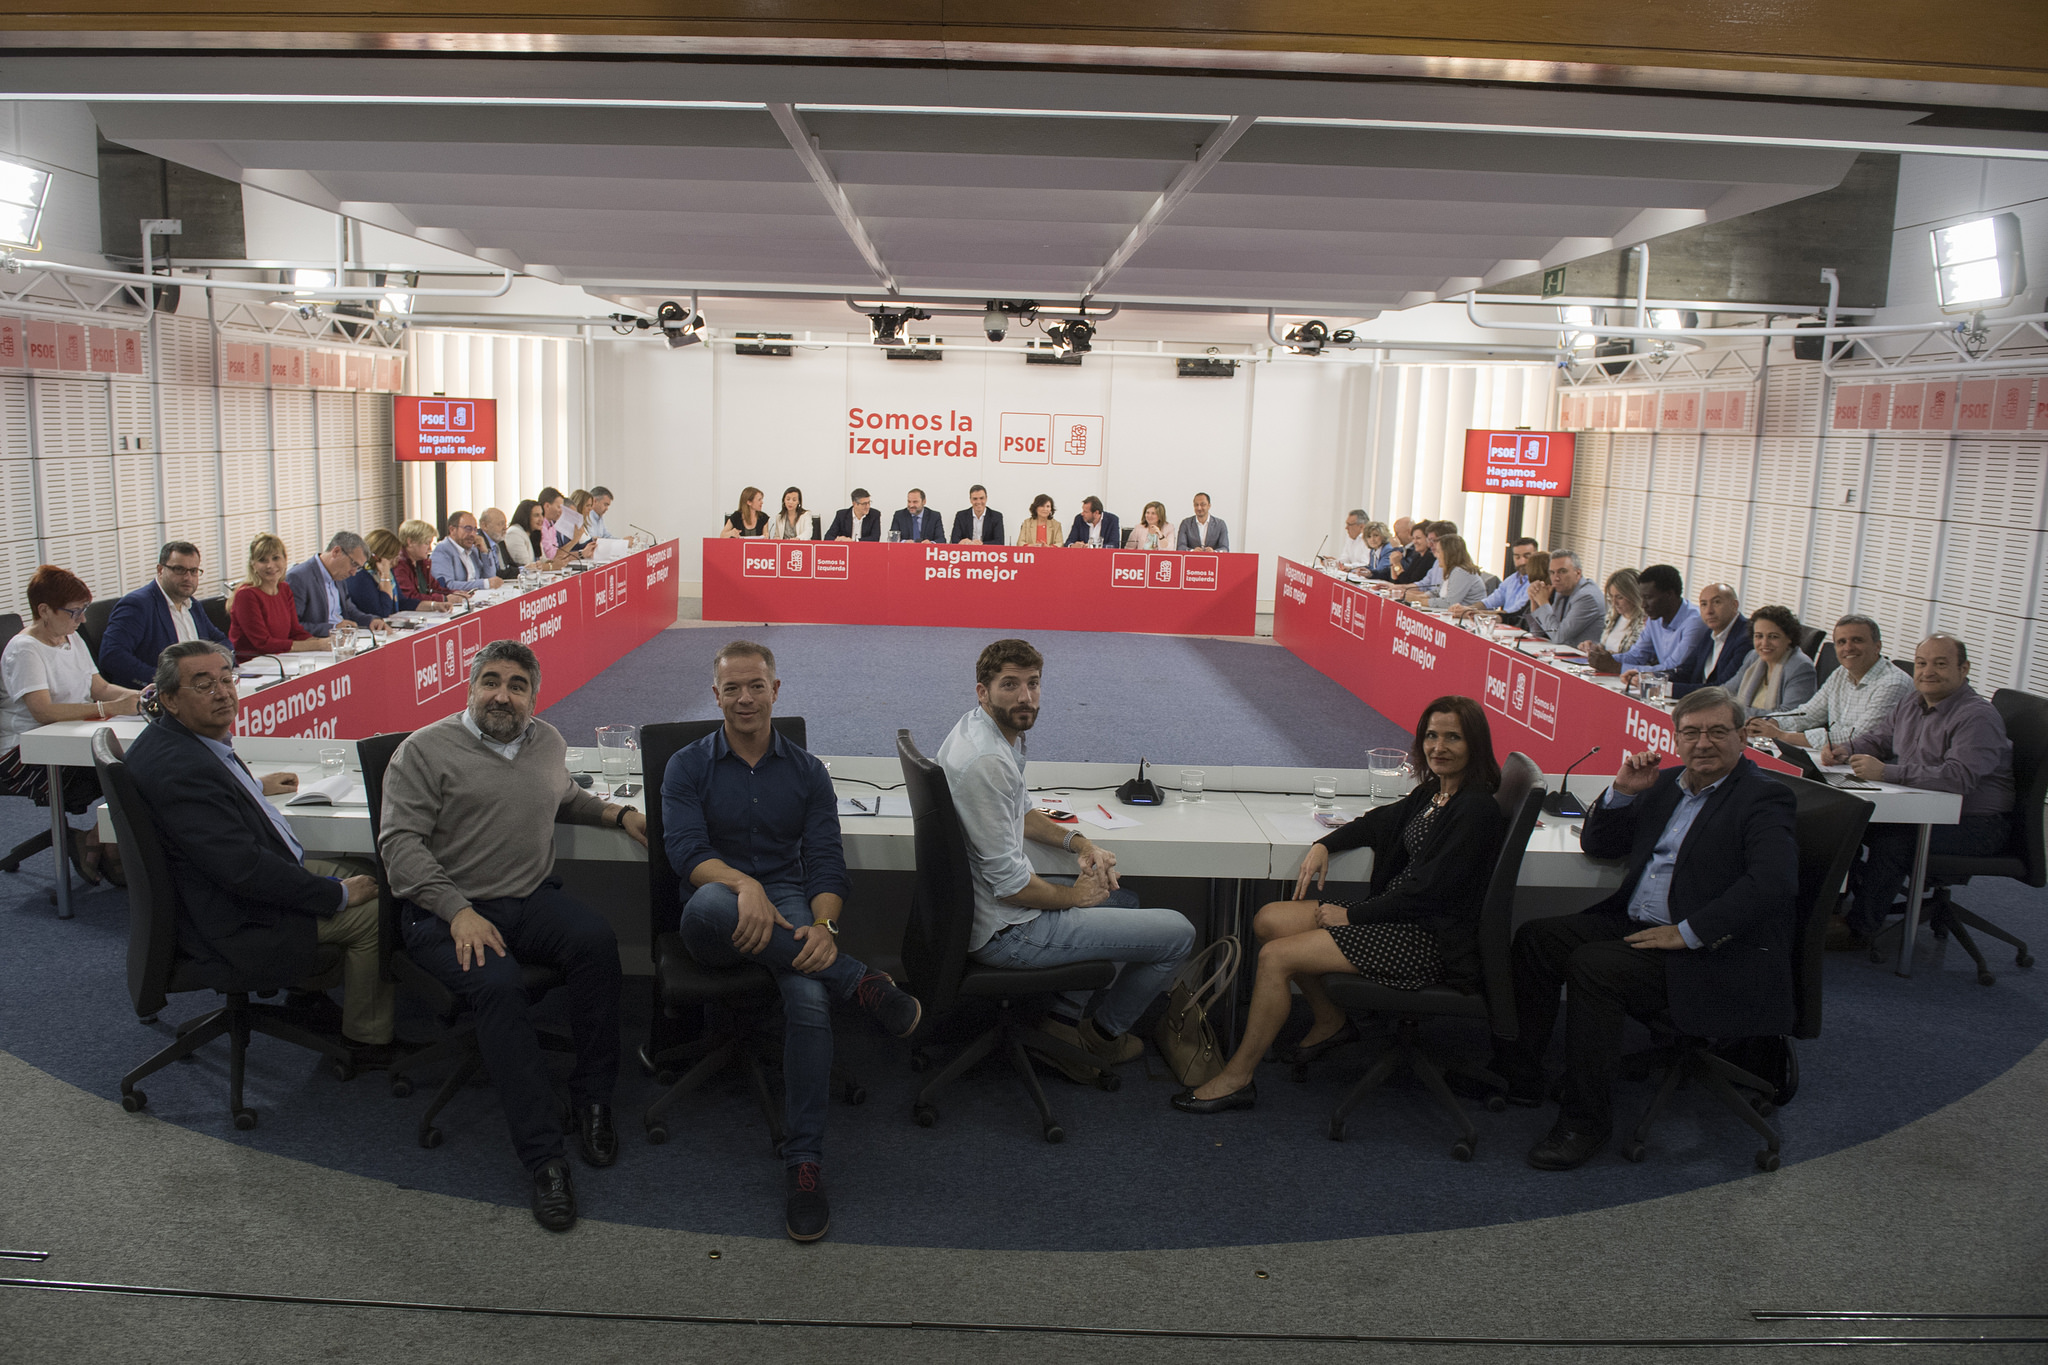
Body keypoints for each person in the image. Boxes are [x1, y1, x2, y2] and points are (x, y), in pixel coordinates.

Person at [378, 639, 647, 1233]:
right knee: (498, 985)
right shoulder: (423, 750)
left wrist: (620, 815)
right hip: (443, 915)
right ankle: (544, 1157)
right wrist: (456, 910)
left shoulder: (546, 740)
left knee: (597, 944)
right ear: (469, 688)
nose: (503, 694)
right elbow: (399, 847)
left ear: (534, 695)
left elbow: (564, 796)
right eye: (491, 681)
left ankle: (593, 1098)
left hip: (526, 903)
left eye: (517, 684)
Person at [663, 641, 924, 1243]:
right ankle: (860, 982)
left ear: (776, 691)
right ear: (717, 695)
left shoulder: (807, 771)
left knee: (807, 998)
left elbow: (827, 864)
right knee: (708, 904)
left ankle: (804, 1163)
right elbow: (685, 854)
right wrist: (742, 883)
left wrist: (825, 929)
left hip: (788, 899)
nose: (745, 698)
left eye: (756, 685)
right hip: (711, 904)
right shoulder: (687, 765)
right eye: (733, 688)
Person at [1497, 686, 1799, 1170]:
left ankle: (1585, 1121)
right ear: (1675, 739)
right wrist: (1620, 794)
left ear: (1742, 737)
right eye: (1692, 733)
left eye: (1717, 732)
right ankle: (1522, 1074)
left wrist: (1690, 931)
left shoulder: (1763, 798)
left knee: (1596, 967)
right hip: (1638, 925)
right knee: (1538, 939)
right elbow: (1599, 845)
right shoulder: (1666, 786)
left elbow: (1774, 882)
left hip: (1710, 953)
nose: (1703, 743)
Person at [1173, 696, 1508, 1113]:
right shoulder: (1435, 793)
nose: (1438, 747)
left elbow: (1428, 893)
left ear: (1475, 743)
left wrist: (1352, 917)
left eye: (1452, 738)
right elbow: (1380, 821)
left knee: (1277, 957)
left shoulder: (1475, 809)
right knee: (1269, 920)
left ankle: (1238, 1077)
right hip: (1397, 917)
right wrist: (1324, 844)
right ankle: (1331, 1020)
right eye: (1431, 736)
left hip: (1427, 941)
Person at [123, 640, 396, 1065]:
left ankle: (308, 990)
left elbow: (215, 826)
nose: (222, 692)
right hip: (237, 917)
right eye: (203, 684)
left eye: (226, 679)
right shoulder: (184, 772)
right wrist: (336, 895)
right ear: (171, 700)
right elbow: (245, 870)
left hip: (217, 891)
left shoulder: (175, 743)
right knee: (377, 910)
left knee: (369, 869)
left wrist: (252, 787)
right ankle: (366, 1041)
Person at [937, 638, 1195, 1080]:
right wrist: (1076, 896)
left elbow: (1019, 813)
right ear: (983, 692)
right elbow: (1013, 888)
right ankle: (1103, 1037)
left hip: (986, 913)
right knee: (1178, 934)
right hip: (1007, 933)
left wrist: (1081, 844)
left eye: (1033, 684)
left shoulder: (984, 732)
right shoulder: (987, 761)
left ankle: (1057, 1027)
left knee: (1124, 901)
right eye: (1010, 685)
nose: (1025, 697)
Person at [1827, 635, 2015, 949]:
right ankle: (1831, 910)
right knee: (1848, 824)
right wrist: (1845, 750)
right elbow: (1879, 739)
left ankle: (1858, 930)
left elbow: (1959, 778)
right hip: (1924, 808)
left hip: (1977, 824)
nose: (1928, 671)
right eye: (1922, 663)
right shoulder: (1911, 703)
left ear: (1963, 668)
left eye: (1940, 664)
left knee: (1894, 842)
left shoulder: (1976, 716)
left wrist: (1886, 772)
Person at [0, 565, 141, 883]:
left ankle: (97, 840)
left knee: (141, 763)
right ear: (45, 611)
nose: (83, 619)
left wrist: (140, 696)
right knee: (132, 769)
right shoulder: (25, 650)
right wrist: (109, 709)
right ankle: (99, 841)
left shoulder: (70, 637)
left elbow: (100, 688)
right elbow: (43, 712)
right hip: (29, 754)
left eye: (84, 610)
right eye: (75, 612)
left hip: (72, 738)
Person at [1744, 614, 1912, 754]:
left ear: (1877, 646)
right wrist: (1771, 722)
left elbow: (1859, 738)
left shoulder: (1892, 683)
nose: (1848, 648)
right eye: (1841, 642)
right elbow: (1808, 713)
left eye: (1857, 640)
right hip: (1835, 757)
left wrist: (1783, 736)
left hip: (1873, 766)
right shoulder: (1841, 673)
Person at [97, 540, 233, 690]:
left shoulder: (191, 604)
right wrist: (167, 681)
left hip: (200, 689)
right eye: (179, 570)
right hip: (159, 695)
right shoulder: (138, 605)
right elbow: (112, 656)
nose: (188, 578)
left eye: (193, 571)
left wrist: (223, 666)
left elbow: (219, 641)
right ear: (160, 570)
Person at [1590, 564, 1704, 677]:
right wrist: (1604, 658)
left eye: (1648, 598)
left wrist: (1617, 667)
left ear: (1669, 594)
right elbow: (1637, 655)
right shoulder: (1655, 617)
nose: (1643, 605)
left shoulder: (1695, 622)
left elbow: (1672, 668)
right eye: (1642, 598)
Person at [228, 533, 324, 663]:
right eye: (262, 560)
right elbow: (263, 644)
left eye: (275, 558)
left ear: (285, 560)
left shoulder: (284, 588)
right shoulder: (246, 595)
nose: (270, 565)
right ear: (253, 565)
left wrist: (323, 643)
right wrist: (316, 645)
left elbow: (295, 632)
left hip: (282, 658)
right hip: (253, 665)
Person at [1646, 582, 1750, 696]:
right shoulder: (1710, 631)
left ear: (1734, 605)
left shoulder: (1746, 636)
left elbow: (1722, 687)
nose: (1709, 611)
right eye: (1704, 604)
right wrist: (1653, 677)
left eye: (1716, 602)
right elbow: (1686, 671)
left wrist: (1668, 689)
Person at [287, 532, 389, 640]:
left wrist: (371, 620)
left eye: (358, 568)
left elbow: (350, 611)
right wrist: (333, 628)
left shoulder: (338, 576)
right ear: (336, 551)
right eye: (354, 564)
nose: (353, 573)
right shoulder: (298, 577)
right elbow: (292, 627)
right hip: (317, 646)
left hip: (343, 642)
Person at [1726, 606, 1817, 722]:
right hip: (1746, 728)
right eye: (1759, 636)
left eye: (1773, 637)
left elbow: (1789, 715)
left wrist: (1734, 712)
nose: (1764, 643)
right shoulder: (1754, 656)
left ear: (1789, 637)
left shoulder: (1800, 667)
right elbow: (1728, 690)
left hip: (1774, 735)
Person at [1524, 549, 1602, 647]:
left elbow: (1558, 636)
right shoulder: (1562, 590)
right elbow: (1537, 632)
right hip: (1563, 654)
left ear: (1578, 573)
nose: (1556, 578)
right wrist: (1534, 600)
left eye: (1562, 571)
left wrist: (1543, 602)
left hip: (1581, 658)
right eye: (1552, 572)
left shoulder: (1587, 597)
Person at [1453, 537, 1537, 620]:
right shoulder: (1512, 579)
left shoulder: (1538, 582)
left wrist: (1474, 612)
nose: (1522, 561)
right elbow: (1489, 602)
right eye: (1517, 557)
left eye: (1527, 556)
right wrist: (1467, 609)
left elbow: (1514, 612)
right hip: (1504, 625)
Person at [392, 520, 467, 612]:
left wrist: (455, 593)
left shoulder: (422, 563)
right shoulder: (399, 566)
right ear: (410, 542)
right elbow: (410, 598)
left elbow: (435, 588)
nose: (430, 548)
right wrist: (444, 599)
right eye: (426, 543)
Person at [432, 511, 505, 594]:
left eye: (475, 530)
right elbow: (447, 585)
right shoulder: (442, 550)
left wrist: (484, 552)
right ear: (452, 530)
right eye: (468, 529)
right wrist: (484, 583)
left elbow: (490, 577)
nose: (472, 534)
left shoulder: (472, 550)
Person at [1412, 533, 1486, 609]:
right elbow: (1441, 591)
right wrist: (1423, 596)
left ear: (1448, 554)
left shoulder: (1461, 572)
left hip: (1468, 618)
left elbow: (1449, 603)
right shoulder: (1452, 570)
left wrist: (1419, 600)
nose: (1436, 556)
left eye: (1438, 552)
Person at [1590, 568, 1647, 664]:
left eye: (1620, 597)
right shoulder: (1612, 615)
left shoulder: (1645, 623)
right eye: (1611, 597)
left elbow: (1638, 658)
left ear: (1634, 596)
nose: (1614, 603)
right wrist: (1595, 649)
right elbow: (1606, 648)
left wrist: (1610, 657)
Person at [346, 529, 405, 620]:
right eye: (393, 556)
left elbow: (401, 601)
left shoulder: (388, 571)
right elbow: (382, 612)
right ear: (381, 557)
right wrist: (385, 577)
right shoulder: (360, 577)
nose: (396, 560)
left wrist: (432, 605)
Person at [1388, 522, 1436, 586]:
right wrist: (1393, 563)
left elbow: (1408, 582)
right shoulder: (1418, 556)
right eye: (1413, 538)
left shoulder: (1430, 557)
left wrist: (1397, 564)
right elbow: (1396, 581)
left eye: (1418, 538)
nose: (1414, 542)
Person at [504, 500, 542, 569]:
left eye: (541, 514)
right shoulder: (514, 533)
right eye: (536, 515)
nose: (541, 519)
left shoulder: (533, 534)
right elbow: (527, 566)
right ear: (526, 517)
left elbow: (543, 560)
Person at [478, 508, 514, 574]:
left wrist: (525, 569)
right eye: (500, 524)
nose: (505, 528)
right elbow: (492, 573)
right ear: (485, 526)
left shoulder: (500, 542)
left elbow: (510, 567)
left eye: (505, 524)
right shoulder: (478, 544)